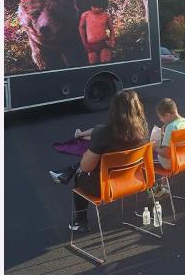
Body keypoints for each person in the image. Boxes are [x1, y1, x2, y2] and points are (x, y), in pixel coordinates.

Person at [49, 90, 149, 232]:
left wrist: (85, 157)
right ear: (138, 107)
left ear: (113, 109)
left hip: (106, 186)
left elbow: (86, 167)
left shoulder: (103, 132)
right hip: (134, 180)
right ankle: (68, 171)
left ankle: (80, 221)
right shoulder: (143, 130)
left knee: (79, 176)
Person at [79, 0, 115, 65]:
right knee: (93, 64)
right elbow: (81, 28)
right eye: (94, 6)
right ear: (90, 4)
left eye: (99, 7)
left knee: (105, 63)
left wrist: (112, 41)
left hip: (104, 43)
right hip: (91, 44)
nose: (97, 9)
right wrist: (84, 41)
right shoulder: (86, 15)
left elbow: (111, 29)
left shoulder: (106, 15)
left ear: (103, 5)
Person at [153, 98, 185, 170]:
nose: (160, 120)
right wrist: (165, 136)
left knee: (146, 159)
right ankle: (164, 181)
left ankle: (162, 180)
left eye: (160, 117)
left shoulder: (171, 127)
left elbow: (166, 153)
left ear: (167, 115)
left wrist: (154, 147)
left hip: (172, 162)